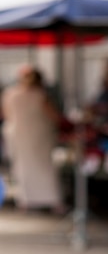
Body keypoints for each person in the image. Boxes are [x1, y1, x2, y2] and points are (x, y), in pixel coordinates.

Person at [1, 65, 65, 214]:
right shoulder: (39, 95)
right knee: (44, 167)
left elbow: (6, 114)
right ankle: (52, 200)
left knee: (23, 167)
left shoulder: (10, 94)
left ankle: (26, 200)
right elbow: (54, 116)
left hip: (18, 134)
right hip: (38, 135)